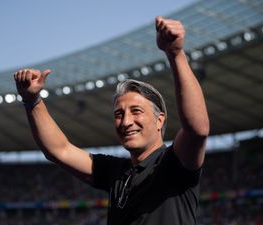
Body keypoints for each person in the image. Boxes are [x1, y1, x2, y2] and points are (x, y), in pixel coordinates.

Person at [13, 16, 210, 225]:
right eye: (119, 114)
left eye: (136, 111)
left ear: (159, 120)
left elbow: (197, 130)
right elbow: (59, 150)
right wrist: (32, 100)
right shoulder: (116, 172)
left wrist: (175, 54)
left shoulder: (175, 163)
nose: (126, 122)